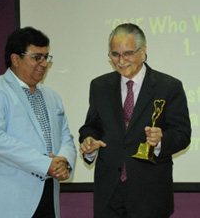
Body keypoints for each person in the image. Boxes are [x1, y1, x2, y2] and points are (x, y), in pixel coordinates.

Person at [79, 23, 191, 218]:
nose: (120, 61)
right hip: (109, 193)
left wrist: (161, 140)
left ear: (143, 51)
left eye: (128, 53)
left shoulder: (168, 86)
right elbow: (91, 126)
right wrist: (89, 141)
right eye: (114, 54)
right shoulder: (100, 86)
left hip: (150, 193)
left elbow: (182, 135)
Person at [0, 27, 77, 218]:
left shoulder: (53, 97)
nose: (44, 64)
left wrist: (65, 164)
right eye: (37, 57)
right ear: (15, 59)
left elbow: (66, 138)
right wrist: (46, 164)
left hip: (47, 199)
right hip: (7, 201)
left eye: (46, 57)